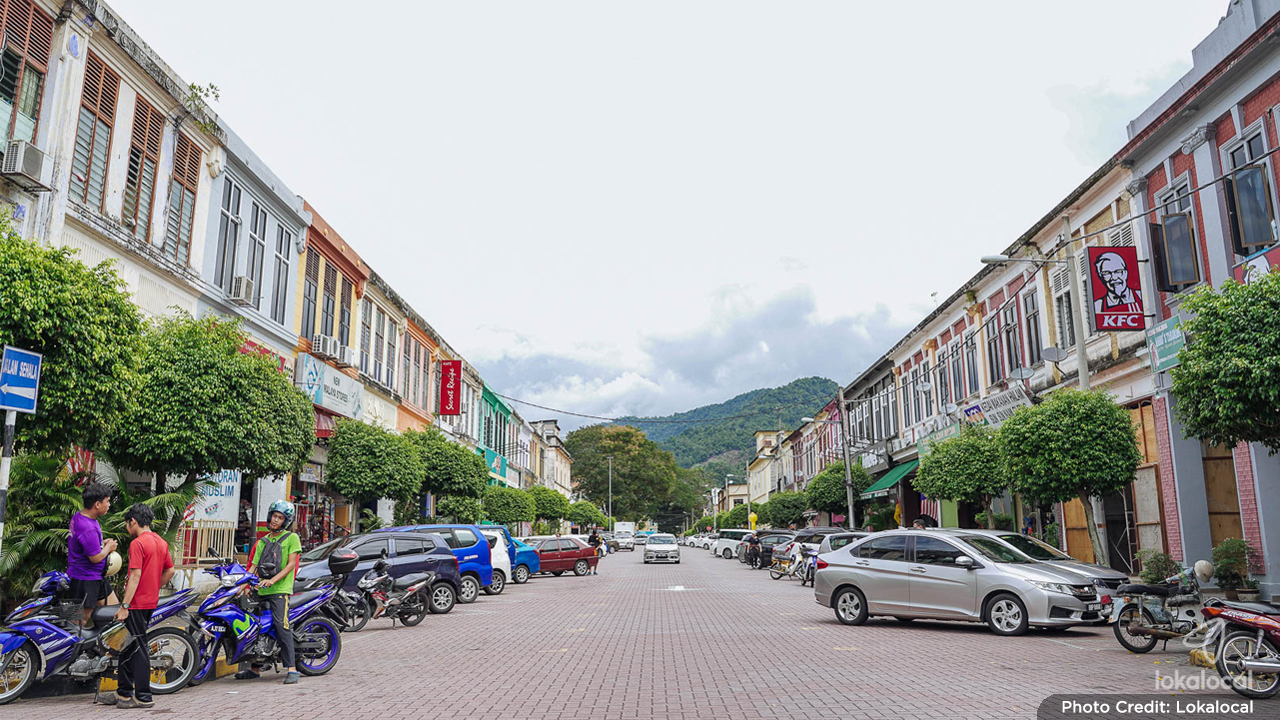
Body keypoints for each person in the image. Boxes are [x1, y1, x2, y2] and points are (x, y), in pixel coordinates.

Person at [101, 504, 174, 709]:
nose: (127, 527)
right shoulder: (160, 542)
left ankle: (143, 696)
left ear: (133, 521)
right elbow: (170, 571)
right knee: (126, 646)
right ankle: (124, 692)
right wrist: (153, 587)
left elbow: (135, 576)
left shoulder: (138, 543)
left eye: (127, 523)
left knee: (139, 648)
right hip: (149, 601)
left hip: (136, 603)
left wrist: (125, 605)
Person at [238, 501, 303, 684]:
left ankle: (291, 668)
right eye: (274, 516)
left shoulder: (292, 538)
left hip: (280, 590)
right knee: (255, 627)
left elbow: (291, 565)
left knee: (281, 625)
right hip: (261, 589)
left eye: (280, 518)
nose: (276, 520)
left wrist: (273, 581)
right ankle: (255, 668)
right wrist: (239, 588)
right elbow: (252, 567)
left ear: (286, 521)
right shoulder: (262, 541)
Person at [67, 483, 118, 626]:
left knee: (114, 612)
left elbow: (85, 545)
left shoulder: (81, 517)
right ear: (97, 504)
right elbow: (95, 558)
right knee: (79, 621)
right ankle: (70, 648)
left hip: (95, 577)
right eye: (107, 501)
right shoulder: (87, 527)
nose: (109, 505)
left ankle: (101, 646)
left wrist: (101, 543)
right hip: (85, 579)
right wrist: (109, 547)